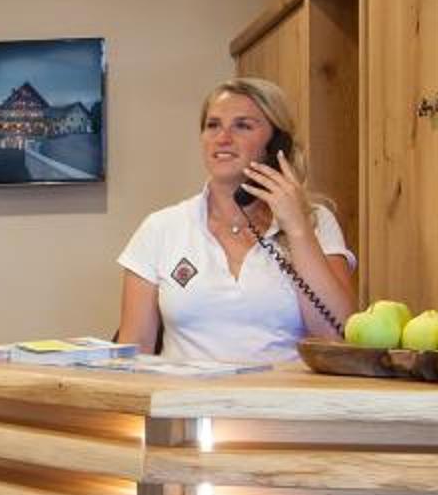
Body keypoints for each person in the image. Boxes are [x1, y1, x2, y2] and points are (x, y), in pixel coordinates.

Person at [114, 77, 358, 368]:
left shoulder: (315, 221)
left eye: (242, 125)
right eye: (213, 125)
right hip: (186, 396)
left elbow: (337, 339)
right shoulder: (161, 228)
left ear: (277, 144)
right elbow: (134, 353)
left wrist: (297, 229)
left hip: (282, 395)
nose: (223, 138)